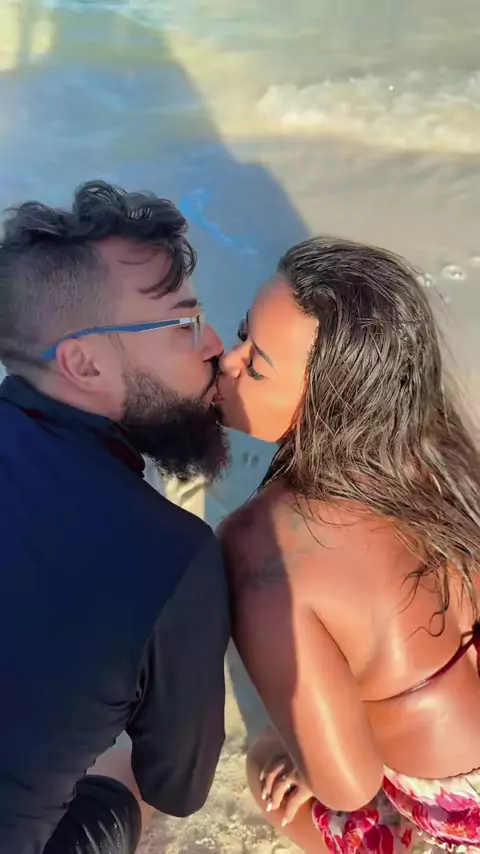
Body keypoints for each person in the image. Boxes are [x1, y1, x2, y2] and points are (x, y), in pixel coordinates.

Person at [216, 237, 480, 854]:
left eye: (255, 363)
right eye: (241, 335)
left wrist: (286, 750)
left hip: (465, 807)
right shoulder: (441, 447)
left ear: (324, 405)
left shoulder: (264, 549)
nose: (227, 363)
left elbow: (348, 786)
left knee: (269, 773)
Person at [0, 181, 231, 854]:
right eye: (185, 324)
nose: (215, 343)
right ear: (84, 362)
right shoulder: (172, 553)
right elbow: (177, 788)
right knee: (122, 770)